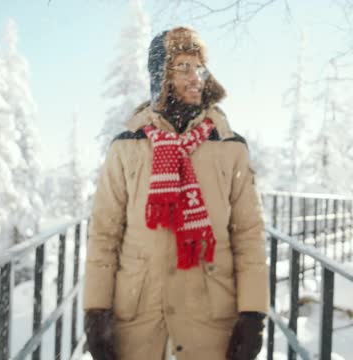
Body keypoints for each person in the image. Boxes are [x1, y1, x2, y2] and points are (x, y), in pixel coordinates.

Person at [83, 26, 269, 360]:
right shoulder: (128, 146)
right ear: (160, 76)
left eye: (198, 67)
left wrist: (253, 314)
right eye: (182, 66)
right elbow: (104, 234)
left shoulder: (229, 148)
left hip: (210, 321)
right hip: (139, 319)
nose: (194, 77)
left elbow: (249, 235)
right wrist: (96, 312)